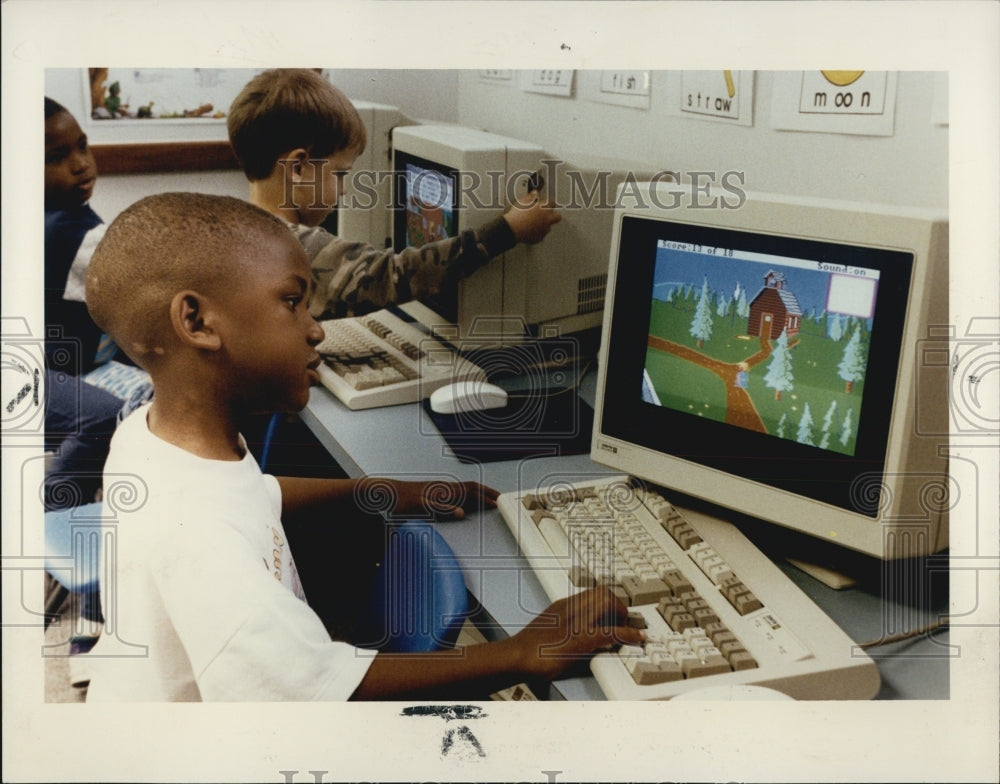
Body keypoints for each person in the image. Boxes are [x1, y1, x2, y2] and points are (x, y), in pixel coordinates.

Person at [82, 192, 643, 701]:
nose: (316, 329)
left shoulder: (151, 438)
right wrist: (521, 653)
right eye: (293, 302)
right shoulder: (204, 545)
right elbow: (320, 688)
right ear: (197, 320)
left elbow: (251, 495)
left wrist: (382, 491)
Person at [227, 68, 561, 320]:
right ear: (297, 167)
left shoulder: (240, 226)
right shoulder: (293, 247)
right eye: (340, 174)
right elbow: (397, 273)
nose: (344, 190)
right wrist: (510, 230)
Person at [43, 97, 123, 511]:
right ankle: (50, 518)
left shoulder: (63, 214)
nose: (81, 163)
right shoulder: (69, 231)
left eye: (83, 146)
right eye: (58, 157)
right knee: (102, 415)